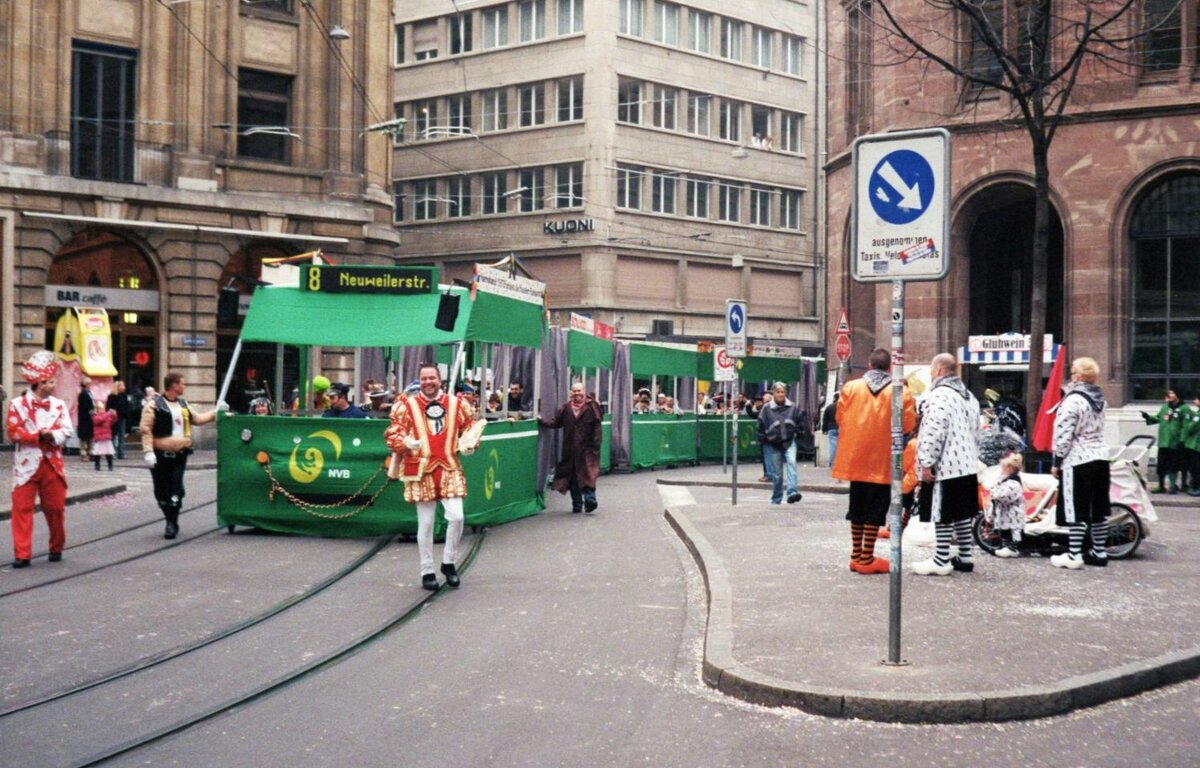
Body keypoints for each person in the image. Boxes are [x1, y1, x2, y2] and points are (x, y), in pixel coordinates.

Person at [385, 364, 478, 591]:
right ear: (419, 380)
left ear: (440, 379)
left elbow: (471, 428)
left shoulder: (457, 404)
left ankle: (449, 562)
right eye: (424, 378)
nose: (428, 382)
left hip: (449, 466)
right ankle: (427, 570)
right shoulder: (406, 406)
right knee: (425, 524)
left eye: (432, 378)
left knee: (456, 517)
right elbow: (393, 432)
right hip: (420, 468)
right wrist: (405, 442)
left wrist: (470, 443)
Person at [833, 349, 917, 575]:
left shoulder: (851, 388)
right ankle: (867, 557)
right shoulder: (899, 391)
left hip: (855, 456)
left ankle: (855, 555)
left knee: (857, 505)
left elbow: (839, 417)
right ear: (889, 367)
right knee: (875, 509)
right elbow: (908, 424)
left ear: (869, 365)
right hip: (883, 459)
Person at [913, 353, 981, 576]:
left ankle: (941, 559)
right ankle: (965, 555)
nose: (932, 375)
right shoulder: (969, 396)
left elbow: (934, 430)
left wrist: (926, 462)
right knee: (961, 512)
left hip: (947, 464)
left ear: (940, 370)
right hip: (967, 463)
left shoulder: (940, 395)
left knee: (941, 512)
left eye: (932, 370)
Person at [7, 351, 73, 568]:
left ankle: (56, 547)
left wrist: (52, 435)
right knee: (21, 509)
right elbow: (13, 432)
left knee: (55, 509)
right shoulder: (17, 404)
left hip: (52, 465)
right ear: (38, 383)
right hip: (26, 466)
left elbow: (67, 430)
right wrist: (37, 435)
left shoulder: (59, 405)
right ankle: (22, 554)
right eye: (50, 381)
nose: (53, 385)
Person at [141, 373, 226, 539]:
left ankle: (171, 523)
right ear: (174, 385)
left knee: (176, 488)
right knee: (161, 492)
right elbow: (146, 429)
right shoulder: (154, 405)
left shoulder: (183, 404)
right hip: (159, 455)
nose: (184, 386)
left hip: (180, 454)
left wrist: (216, 412)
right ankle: (169, 515)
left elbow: (198, 419)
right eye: (182, 384)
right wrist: (148, 452)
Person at [1050, 357, 1111, 569]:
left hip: (1078, 458)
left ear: (1077, 376)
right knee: (1099, 507)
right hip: (1100, 455)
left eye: (1073, 372)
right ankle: (1099, 551)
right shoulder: (1101, 400)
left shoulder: (1072, 400)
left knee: (1076, 506)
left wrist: (1057, 461)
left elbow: (1063, 434)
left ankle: (1074, 554)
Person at [539, 381, 604, 514]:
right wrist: (542, 421)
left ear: (584, 391)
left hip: (588, 448)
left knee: (588, 474)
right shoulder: (566, 408)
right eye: (574, 391)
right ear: (570, 393)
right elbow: (556, 423)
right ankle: (577, 504)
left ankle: (590, 500)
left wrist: (596, 444)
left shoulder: (591, 406)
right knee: (573, 477)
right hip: (570, 449)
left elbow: (597, 426)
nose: (577, 394)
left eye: (579, 391)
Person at [757, 382, 804, 505]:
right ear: (773, 393)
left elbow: (800, 421)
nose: (780, 394)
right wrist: (765, 439)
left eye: (782, 392)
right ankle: (776, 498)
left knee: (792, 463)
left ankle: (792, 492)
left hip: (790, 441)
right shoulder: (766, 409)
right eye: (778, 392)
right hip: (774, 444)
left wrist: (798, 434)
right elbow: (760, 425)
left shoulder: (793, 407)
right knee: (777, 474)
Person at [1142, 390, 1186, 494]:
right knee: (1161, 464)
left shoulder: (1184, 409)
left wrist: (1182, 439)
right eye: (1169, 394)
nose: (1169, 395)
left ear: (1178, 395)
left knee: (1173, 465)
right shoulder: (1165, 407)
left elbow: (1185, 425)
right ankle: (1161, 486)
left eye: (1172, 393)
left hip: (1175, 442)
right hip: (1164, 441)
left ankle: (1172, 486)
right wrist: (1148, 417)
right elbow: (1158, 418)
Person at [988, 452, 1026, 558]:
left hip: (1013, 513)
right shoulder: (1007, 481)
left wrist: (994, 490)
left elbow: (1003, 496)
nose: (1001, 470)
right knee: (1005, 530)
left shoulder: (1014, 482)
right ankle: (1005, 546)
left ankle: (1013, 548)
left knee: (1013, 530)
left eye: (1003, 467)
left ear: (1010, 468)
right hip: (1007, 512)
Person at [90, 400, 117, 471]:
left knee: (109, 452)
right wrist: (108, 413)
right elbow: (100, 420)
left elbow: (113, 421)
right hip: (99, 437)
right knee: (97, 453)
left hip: (106, 437)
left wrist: (114, 414)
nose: (102, 410)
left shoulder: (106, 415)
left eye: (102, 408)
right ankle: (97, 465)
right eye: (100, 408)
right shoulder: (95, 416)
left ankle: (110, 465)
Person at [106, 381, 130, 459]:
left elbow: (127, 407)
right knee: (113, 435)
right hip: (113, 418)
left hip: (122, 418)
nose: (124, 387)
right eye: (122, 386)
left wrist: (126, 414)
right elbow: (108, 407)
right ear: (117, 387)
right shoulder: (112, 396)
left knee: (121, 436)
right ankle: (112, 453)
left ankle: (121, 454)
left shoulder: (124, 396)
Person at [76, 376, 94, 461]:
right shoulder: (83, 394)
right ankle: (83, 454)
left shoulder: (89, 393)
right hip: (84, 418)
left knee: (90, 436)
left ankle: (91, 453)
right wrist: (90, 410)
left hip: (89, 418)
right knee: (84, 437)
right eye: (89, 383)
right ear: (86, 384)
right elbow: (84, 406)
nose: (91, 385)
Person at [822, 393, 840, 470]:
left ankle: (832, 465)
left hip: (831, 428)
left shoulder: (829, 407)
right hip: (841, 428)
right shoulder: (844, 406)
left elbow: (825, 419)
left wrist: (824, 429)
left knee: (833, 447)